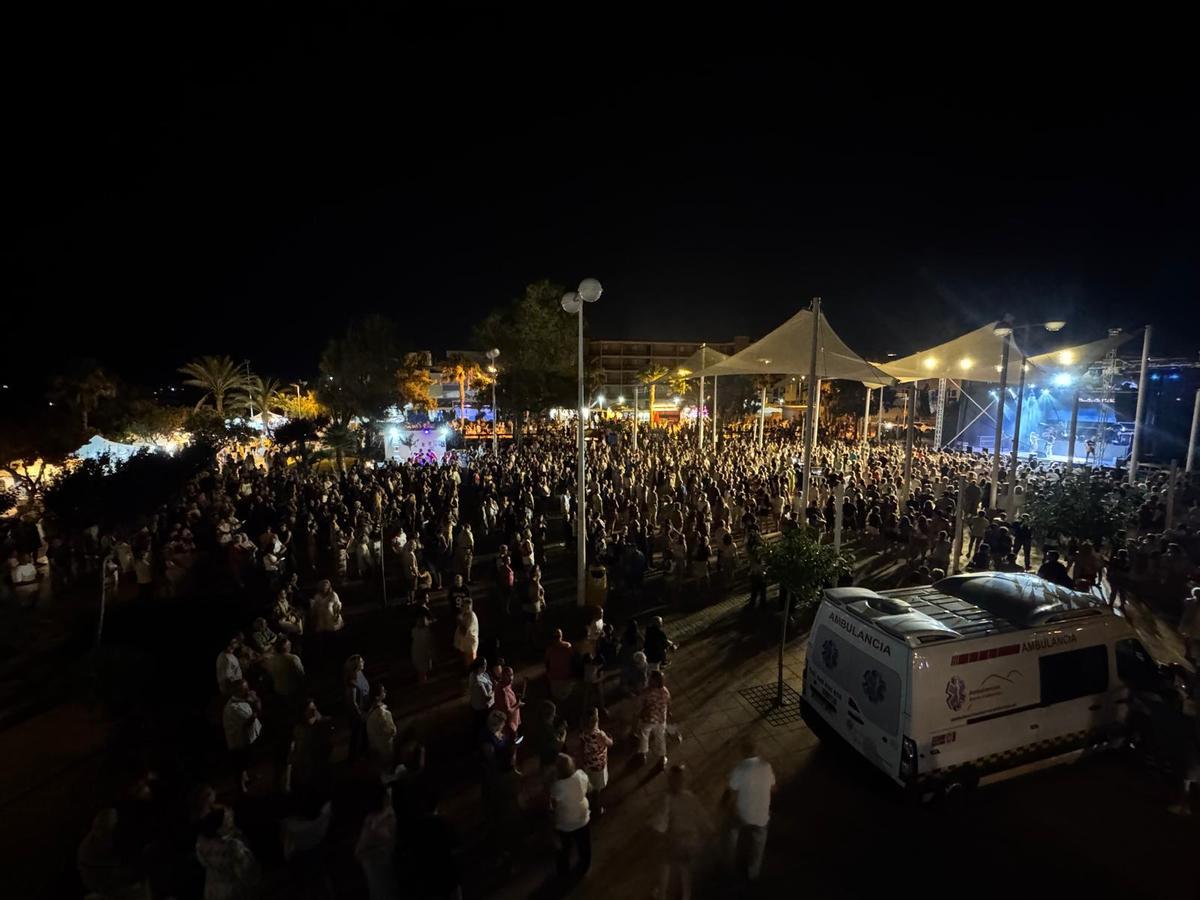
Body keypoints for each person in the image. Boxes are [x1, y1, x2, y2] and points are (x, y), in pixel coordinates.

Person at [651, 765, 713, 900]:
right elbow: (703, 818)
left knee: (664, 862)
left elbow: (660, 825)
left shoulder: (667, 799)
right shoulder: (690, 797)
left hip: (676, 842)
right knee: (685, 869)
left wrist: (657, 833)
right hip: (692, 842)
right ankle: (686, 896)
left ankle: (662, 894)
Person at [722, 738, 775, 882]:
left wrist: (725, 805)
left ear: (743, 752)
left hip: (742, 814)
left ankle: (728, 863)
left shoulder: (740, 768)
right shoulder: (766, 766)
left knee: (731, 830)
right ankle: (754, 871)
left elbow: (731, 790)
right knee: (759, 841)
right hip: (761, 816)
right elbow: (773, 787)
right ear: (757, 752)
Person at [195, 806, 261, 899]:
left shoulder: (201, 844)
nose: (231, 820)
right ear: (220, 829)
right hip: (234, 892)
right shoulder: (233, 846)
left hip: (212, 890)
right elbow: (248, 871)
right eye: (228, 819)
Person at [549, 753, 592, 881]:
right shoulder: (580, 776)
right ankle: (585, 865)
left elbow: (553, 805)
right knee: (584, 845)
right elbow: (589, 788)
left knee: (564, 848)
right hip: (582, 817)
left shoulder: (557, 787)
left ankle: (563, 872)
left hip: (565, 823)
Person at [355, 784, 399, 900]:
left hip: (379, 869)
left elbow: (359, 853)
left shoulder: (375, 821)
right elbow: (360, 852)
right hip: (384, 868)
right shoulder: (378, 821)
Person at [223, 680, 262, 793]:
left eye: (247, 687)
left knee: (244, 762)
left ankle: (246, 779)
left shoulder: (242, 699)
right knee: (240, 765)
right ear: (236, 691)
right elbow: (250, 720)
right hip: (238, 742)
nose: (248, 690)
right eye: (244, 689)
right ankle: (241, 788)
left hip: (246, 738)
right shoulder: (234, 708)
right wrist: (255, 703)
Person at [578, 706, 613, 814]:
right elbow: (609, 743)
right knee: (597, 788)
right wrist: (610, 738)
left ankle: (588, 797)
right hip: (599, 765)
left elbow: (581, 747)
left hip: (588, 763)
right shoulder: (600, 734)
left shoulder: (583, 733)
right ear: (596, 720)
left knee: (590, 782)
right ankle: (596, 807)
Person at [636, 670, 673, 769]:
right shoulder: (665, 691)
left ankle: (643, 754)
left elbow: (641, 704)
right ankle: (662, 758)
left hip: (648, 718)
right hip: (661, 719)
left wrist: (640, 713)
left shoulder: (647, 691)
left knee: (644, 735)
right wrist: (668, 712)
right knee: (660, 738)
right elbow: (668, 703)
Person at [344, 655, 371, 761]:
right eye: (361, 661)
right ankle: (353, 757)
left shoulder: (360, 674)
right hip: (357, 714)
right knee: (356, 734)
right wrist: (360, 715)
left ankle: (363, 753)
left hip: (364, 709)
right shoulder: (352, 683)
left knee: (364, 733)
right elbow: (352, 702)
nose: (363, 662)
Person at [366, 683, 397, 770]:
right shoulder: (381, 714)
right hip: (384, 748)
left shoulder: (371, 713)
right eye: (383, 691)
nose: (385, 692)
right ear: (377, 696)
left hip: (376, 748)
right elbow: (390, 730)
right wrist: (393, 730)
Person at [467, 656, 495, 737]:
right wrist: (494, 692)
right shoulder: (477, 681)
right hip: (482, 707)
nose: (486, 666)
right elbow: (487, 697)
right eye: (484, 665)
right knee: (484, 725)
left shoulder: (475, 673)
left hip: (475, 704)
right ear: (479, 667)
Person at [545, 628, 575, 703]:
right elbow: (573, 659)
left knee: (557, 698)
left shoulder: (550, 649)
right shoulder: (567, 646)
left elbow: (547, 663)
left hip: (557, 678)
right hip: (564, 677)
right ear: (561, 636)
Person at [453, 597, 480, 667]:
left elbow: (464, 631)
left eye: (462, 606)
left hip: (470, 646)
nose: (461, 607)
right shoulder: (464, 615)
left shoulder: (471, 616)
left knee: (472, 666)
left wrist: (459, 621)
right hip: (465, 645)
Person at [411, 611, 435, 683]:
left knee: (422, 668)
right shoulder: (423, 631)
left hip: (420, 650)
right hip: (421, 651)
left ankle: (423, 681)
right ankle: (423, 681)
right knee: (422, 668)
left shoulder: (415, 630)